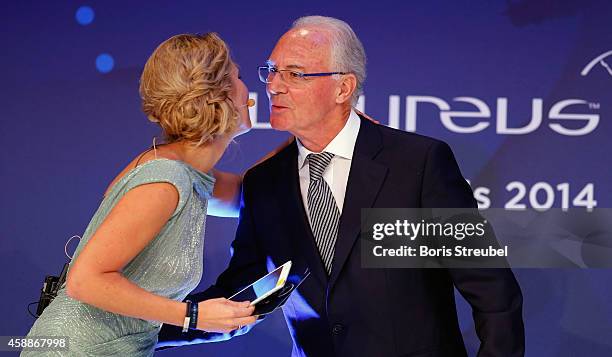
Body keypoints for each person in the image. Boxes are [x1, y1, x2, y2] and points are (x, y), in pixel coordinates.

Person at [158, 16, 525, 357]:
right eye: (271, 71)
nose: (273, 85)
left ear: (343, 87)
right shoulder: (264, 183)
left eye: (295, 74)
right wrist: (134, 334)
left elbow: (493, 292)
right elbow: (237, 300)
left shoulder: (418, 162)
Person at [22, 33, 259, 356]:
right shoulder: (165, 179)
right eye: (239, 77)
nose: (249, 92)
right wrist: (194, 316)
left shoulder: (186, 172)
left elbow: (253, 191)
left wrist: (311, 137)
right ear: (218, 96)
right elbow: (85, 280)